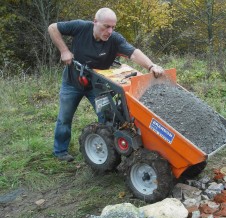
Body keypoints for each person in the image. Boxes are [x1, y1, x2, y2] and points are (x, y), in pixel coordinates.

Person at [48, 7, 164, 162]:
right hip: (72, 83)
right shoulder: (80, 27)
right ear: (95, 22)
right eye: (106, 26)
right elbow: (52, 27)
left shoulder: (114, 39)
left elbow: (133, 53)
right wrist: (64, 50)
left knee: (107, 117)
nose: (109, 31)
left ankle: (107, 151)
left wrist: (151, 66)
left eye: (113, 27)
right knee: (65, 117)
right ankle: (60, 151)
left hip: (97, 86)